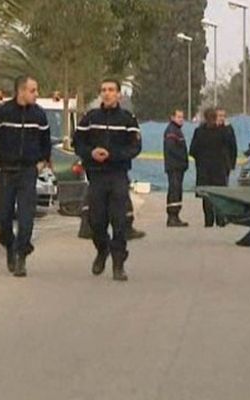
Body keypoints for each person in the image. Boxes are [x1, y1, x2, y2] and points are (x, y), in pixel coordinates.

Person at [0, 75, 51, 277]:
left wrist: (41, 162)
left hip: (28, 172)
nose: (36, 94)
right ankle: (10, 245)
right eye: (33, 90)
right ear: (21, 91)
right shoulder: (1, 113)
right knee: (3, 219)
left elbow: (46, 143)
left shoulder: (39, 116)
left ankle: (21, 256)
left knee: (27, 218)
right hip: (6, 172)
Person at [73, 78, 141, 281]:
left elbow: (135, 147)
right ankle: (102, 250)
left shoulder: (127, 119)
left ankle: (118, 264)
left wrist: (112, 154)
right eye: (104, 90)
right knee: (96, 221)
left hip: (118, 175)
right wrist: (91, 153)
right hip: (96, 176)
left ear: (119, 94)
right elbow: (78, 143)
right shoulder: (91, 118)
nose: (107, 93)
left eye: (111, 90)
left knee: (119, 221)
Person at [189, 108, 229, 227]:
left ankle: (208, 220)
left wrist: (200, 159)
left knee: (206, 195)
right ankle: (220, 219)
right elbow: (228, 147)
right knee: (219, 194)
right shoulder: (222, 132)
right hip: (219, 167)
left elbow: (193, 150)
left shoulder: (199, 132)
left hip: (204, 167)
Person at [163, 109, 189, 227]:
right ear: (172, 117)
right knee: (174, 190)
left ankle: (176, 216)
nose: (181, 119)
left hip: (178, 166)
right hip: (174, 166)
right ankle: (172, 216)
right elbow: (172, 148)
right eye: (178, 117)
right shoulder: (172, 131)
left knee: (177, 191)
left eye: (182, 117)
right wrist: (182, 160)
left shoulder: (177, 130)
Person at [216, 107, 238, 180]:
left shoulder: (228, 129)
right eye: (219, 116)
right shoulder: (209, 128)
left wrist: (232, 163)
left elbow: (233, 146)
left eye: (223, 116)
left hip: (225, 163)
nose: (222, 118)